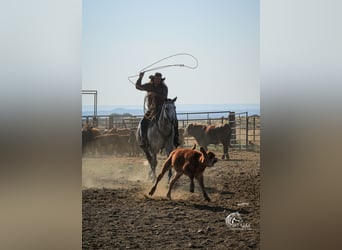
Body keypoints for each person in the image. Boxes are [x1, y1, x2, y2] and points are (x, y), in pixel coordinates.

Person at [136, 71, 180, 148]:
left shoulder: (164, 88)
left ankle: (176, 139)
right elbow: (138, 86)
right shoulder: (149, 85)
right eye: (156, 79)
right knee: (143, 122)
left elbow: (164, 98)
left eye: (159, 79)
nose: (157, 80)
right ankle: (143, 140)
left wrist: (155, 94)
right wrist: (140, 77)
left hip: (162, 108)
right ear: (154, 79)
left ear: (161, 80)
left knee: (174, 120)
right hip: (152, 108)